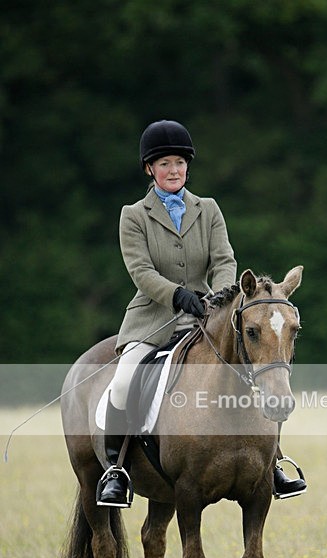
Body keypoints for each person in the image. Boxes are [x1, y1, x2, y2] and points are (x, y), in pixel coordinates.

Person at [97, 119, 306, 507]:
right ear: (149, 169)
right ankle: (116, 470)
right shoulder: (133, 215)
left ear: (187, 166)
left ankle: (272, 463)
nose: (173, 170)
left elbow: (224, 259)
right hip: (153, 318)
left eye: (178, 163)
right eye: (164, 164)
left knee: (255, 370)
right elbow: (141, 272)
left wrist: (219, 295)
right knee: (125, 380)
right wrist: (177, 296)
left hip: (208, 315)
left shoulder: (207, 209)